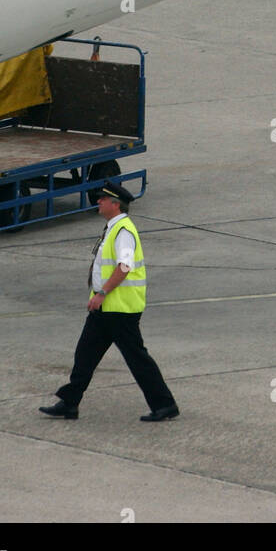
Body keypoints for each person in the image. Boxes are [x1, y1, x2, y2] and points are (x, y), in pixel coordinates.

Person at [39, 180, 179, 422]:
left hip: (119, 308)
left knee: (137, 358)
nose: (98, 202)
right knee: (85, 354)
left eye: (102, 199)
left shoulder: (123, 231)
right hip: (106, 308)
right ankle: (69, 402)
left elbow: (124, 267)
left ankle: (165, 404)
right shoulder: (113, 228)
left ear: (115, 204)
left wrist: (102, 293)